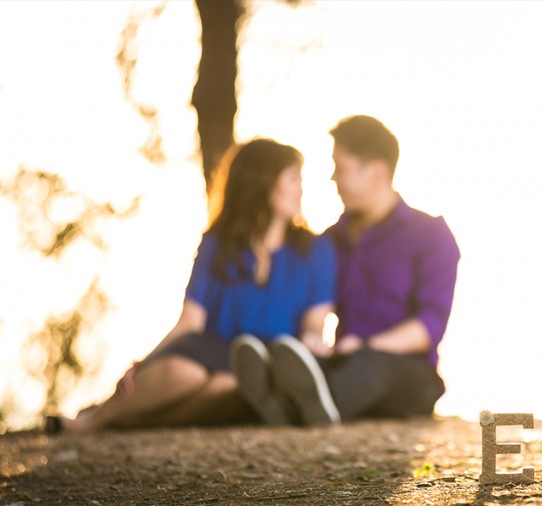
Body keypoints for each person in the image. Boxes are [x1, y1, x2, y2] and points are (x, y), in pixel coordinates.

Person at [46, 138, 337, 433]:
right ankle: (93, 422)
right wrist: (145, 363)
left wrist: (313, 339)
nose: (301, 189)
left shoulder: (316, 251)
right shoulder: (218, 244)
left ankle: (122, 420)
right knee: (186, 372)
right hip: (208, 352)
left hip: (263, 362)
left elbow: (314, 324)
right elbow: (190, 322)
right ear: (263, 183)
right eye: (293, 179)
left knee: (232, 383)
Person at [231, 115, 460, 425]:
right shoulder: (329, 242)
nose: (332, 179)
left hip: (407, 373)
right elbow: (310, 305)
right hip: (343, 362)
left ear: (377, 172)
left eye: (341, 168)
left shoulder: (430, 235)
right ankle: (291, 405)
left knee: (370, 366)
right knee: (306, 364)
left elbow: (428, 327)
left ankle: (299, 410)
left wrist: (366, 345)